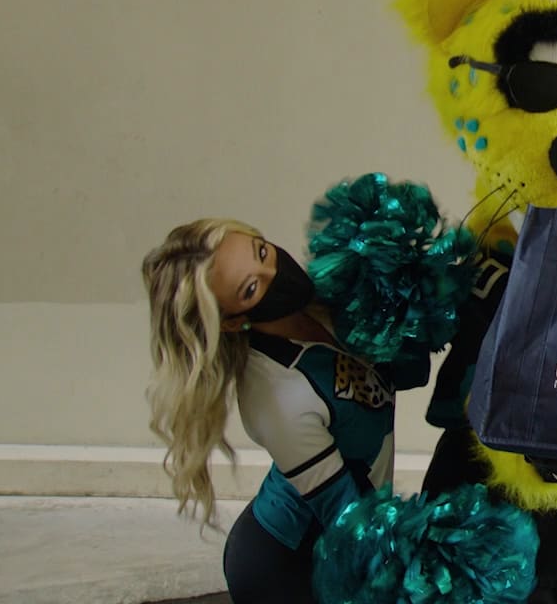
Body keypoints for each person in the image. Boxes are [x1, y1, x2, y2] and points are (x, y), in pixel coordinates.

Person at [141, 218, 422, 604]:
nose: (274, 270)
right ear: (233, 321)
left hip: (355, 534)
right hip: (285, 567)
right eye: (251, 288)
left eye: (262, 252)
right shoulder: (275, 395)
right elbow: (345, 516)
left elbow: (411, 373)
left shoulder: (327, 306)